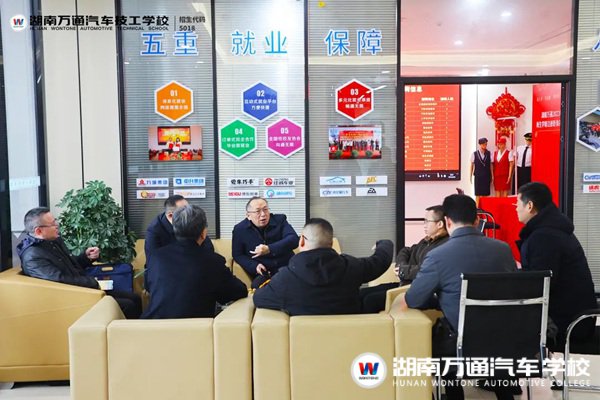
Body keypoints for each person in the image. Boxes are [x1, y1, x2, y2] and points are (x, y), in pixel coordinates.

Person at [401, 195, 517, 400]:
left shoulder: (438, 256)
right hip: (505, 338)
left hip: (461, 342)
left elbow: (414, 299)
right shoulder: (503, 250)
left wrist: (441, 299)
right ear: (477, 220)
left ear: (447, 222)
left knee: (440, 338)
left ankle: (455, 396)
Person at [17, 207, 142, 319]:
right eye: (53, 224)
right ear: (39, 231)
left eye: (55, 221)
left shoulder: (53, 242)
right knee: (128, 305)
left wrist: (86, 257)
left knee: (134, 297)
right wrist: (93, 283)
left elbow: (69, 266)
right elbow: (60, 281)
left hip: (82, 289)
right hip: (71, 299)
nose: (57, 225)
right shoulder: (33, 256)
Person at [253, 218, 393, 315]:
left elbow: (258, 298)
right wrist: (384, 243)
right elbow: (380, 261)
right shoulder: (351, 266)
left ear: (301, 241)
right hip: (352, 336)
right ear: (331, 244)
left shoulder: (285, 279)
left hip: (305, 341)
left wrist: (261, 280)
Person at [515, 182, 597, 349]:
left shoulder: (544, 237)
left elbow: (541, 284)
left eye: (517, 204)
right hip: (576, 315)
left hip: (565, 322)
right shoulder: (553, 230)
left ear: (529, 206)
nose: (516, 208)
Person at [142, 205, 247, 319]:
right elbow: (239, 291)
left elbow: (148, 286)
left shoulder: (156, 257)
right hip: (195, 328)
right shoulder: (213, 262)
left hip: (151, 325)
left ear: (175, 229)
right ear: (203, 233)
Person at [360, 205, 449, 313]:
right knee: (362, 293)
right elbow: (405, 251)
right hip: (404, 285)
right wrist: (401, 266)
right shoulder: (426, 241)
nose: (424, 224)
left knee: (371, 300)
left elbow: (426, 270)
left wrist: (403, 270)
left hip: (416, 291)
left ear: (440, 224)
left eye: (427, 221)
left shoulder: (444, 246)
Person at [144, 195, 214, 293]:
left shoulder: (190, 221)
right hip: (167, 273)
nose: (189, 213)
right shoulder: (154, 230)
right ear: (170, 215)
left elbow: (207, 247)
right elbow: (154, 261)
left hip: (191, 268)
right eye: (183, 211)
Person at [232, 197, 298, 289]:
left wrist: (269, 249)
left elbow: (293, 239)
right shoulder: (240, 229)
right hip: (265, 272)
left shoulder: (280, 220)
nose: (263, 214)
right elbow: (238, 254)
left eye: (265, 209)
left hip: (287, 267)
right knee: (258, 287)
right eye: (258, 211)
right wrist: (254, 266)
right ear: (248, 215)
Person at [470, 137, 492, 206]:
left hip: (486, 176)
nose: (485, 146)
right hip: (478, 176)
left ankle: (485, 208)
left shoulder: (489, 153)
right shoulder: (474, 154)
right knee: (478, 194)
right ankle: (477, 209)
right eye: (483, 144)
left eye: (486, 144)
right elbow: (472, 165)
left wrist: (492, 176)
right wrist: (470, 176)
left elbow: (491, 165)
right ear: (480, 144)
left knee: (485, 194)